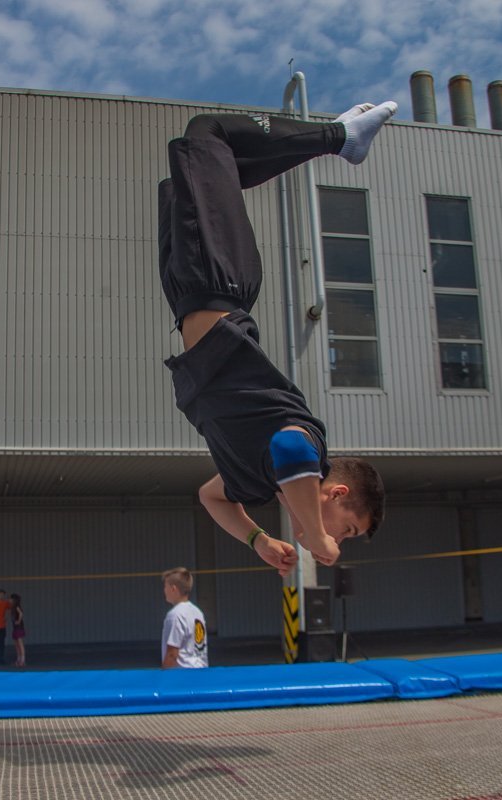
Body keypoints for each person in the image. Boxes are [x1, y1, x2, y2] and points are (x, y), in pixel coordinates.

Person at [158, 104, 393, 576]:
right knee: (208, 133)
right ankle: (338, 137)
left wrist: (259, 539)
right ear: (337, 493)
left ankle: (330, 139)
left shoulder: (256, 481)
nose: (337, 539)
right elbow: (291, 454)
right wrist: (320, 534)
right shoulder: (305, 444)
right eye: (347, 528)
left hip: (190, 290)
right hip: (219, 281)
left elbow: (211, 496)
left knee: (195, 176)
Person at [160, 567, 208, 668]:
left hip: (183, 675)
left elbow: (172, 654)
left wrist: (163, 678)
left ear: (173, 589)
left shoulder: (175, 615)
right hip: (201, 671)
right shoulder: (198, 612)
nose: (164, 590)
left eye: (165, 587)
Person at [10, 593, 26, 667]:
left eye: (10, 599)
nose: (9, 600)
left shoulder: (16, 606)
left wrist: (19, 621)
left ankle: (22, 660)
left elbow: (21, 613)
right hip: (15, 627)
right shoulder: (12, 607)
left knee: (20, 643)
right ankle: (18, 659)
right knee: (16, 644)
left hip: (19, 627)